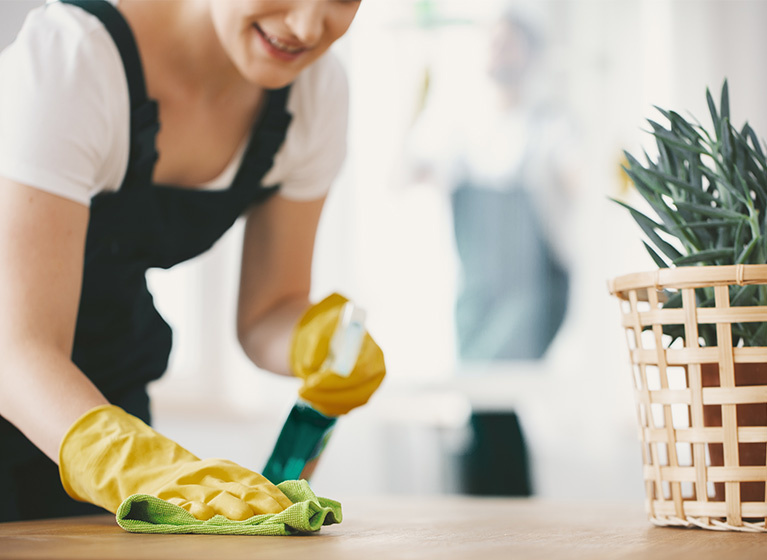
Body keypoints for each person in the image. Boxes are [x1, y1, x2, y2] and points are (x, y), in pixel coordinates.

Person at [0, 0, 385, 522]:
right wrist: (135, 466)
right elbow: (16, 349)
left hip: (103, 401)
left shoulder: (311, 94)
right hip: (52, 402)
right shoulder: (73, 60)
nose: (307, 27)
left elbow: (268, 310)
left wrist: (314, 341)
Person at [407, 7, 580, 495]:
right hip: (477, 294)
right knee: (485, 403)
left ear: (531, 54)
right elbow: (403, 176)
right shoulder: (462, 128)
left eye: (508, 41)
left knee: (498, 398)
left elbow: (581, 184)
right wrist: (414, 95)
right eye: (492, 40)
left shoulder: (550, 126)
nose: (497, 49)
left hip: (533, 290)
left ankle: (494, 512)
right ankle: (500, 511)